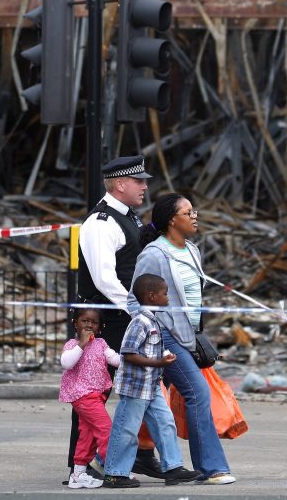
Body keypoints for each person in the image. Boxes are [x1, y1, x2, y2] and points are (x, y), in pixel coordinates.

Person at [129, 193, 236, 485]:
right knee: (197, 393)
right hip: (164, 336)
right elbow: (133, 300)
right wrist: (152, 332)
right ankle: (212, 468)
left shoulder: (191, 250)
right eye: (188, 212)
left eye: (194, 211)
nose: (194, 216)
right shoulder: (154, 254)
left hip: (188, 336)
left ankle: (107, 460)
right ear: (172, 220)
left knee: (144, 400)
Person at [69, 155, 163, 480]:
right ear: (121, 184)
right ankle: (79, 465)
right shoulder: (101, 223)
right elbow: (104, 278)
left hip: (121, 317)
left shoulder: (128, 218)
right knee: (92, 395)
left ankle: (137, 453)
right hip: (105, 318)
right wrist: (137, 309)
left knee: (125, 389)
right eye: (139, 181)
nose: (145, 186)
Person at [102, 274, 202, 489]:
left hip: (151, 385)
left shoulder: (153, 319)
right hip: (136, 387)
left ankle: (173, 468)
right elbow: (128, 353)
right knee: (127, 429)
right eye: (165, 294)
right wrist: (158, 363)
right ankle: (114, 473)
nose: (168, 298)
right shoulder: (140, 321)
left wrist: (161, 360)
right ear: (152, 296)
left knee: (165, 423)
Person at [59, 307, 120, 489]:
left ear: (100, 327)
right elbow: (66, 363)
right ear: (75, 324)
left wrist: (132, 358)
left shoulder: (101, 344)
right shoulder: (72, 345)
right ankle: (115, 471)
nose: (89, 325)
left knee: (87, 435)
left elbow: (115, 360)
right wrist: (82, 344)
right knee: (106, 430)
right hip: (82, 396)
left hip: (96, 395)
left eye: (93, 322)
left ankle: (78, 474)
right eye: (84, 321)